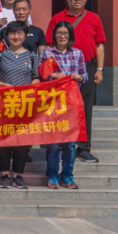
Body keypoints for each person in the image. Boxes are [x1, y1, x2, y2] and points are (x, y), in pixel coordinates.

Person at [45, 0, 105, 164]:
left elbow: (100, 44)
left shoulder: (94, 18)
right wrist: (51, 72)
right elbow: (48, 45)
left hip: (86, 68)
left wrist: (100, 69)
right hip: (61, 72)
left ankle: (84, 148)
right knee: (60, 108)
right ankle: (58, 144)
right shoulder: (57, 18)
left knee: (84, 109)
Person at [0, 20, 40, 190]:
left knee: (22, 140)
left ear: (25, 35)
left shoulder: (32, 56)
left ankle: (18, 175)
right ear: (7, 35)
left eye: (20, 33)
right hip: (4, 104)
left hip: (24, 104)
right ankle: (4, 174)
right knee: (2, 139)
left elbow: (36, 77)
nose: (16, 36)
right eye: (12, 33)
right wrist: (5, 86)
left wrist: (29, 88)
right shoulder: (0, 55)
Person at [40, 21, 87, 190]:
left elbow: (85, 75)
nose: (62, 36)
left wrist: (79, 77)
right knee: (53, 142)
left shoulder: (78, 53)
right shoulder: (47, 53)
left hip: (72, 103)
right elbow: (42, 75)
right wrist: (54, 76)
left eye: (65, 33)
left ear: (70, 36)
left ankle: (67, 175)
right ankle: (52, 175)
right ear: (54, 35)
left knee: (70, 144)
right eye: (59, 33)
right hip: (53, 103)